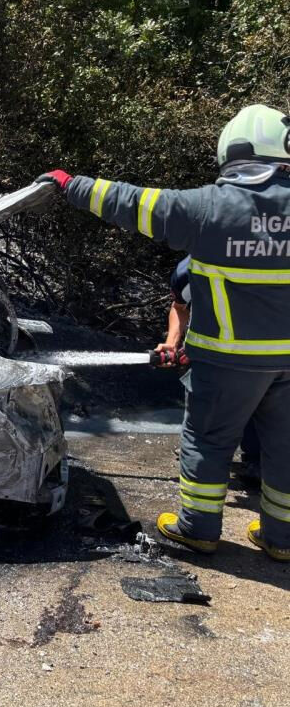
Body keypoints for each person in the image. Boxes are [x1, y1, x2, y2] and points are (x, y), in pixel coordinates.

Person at [38, 104, 290, 562]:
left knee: (209, 442)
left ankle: (197, 529)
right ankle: (282, 538)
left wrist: (70, 185)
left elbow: (134, 202)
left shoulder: (209, 207)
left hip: (226, 363)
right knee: (287, 447)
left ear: (231, 152)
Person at [158, 256, 261, 482]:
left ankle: (258, 462)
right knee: (204, 437)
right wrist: (173, 341)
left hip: (270, 363)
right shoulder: (192, 266)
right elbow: (179, 306)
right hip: (214, 364)